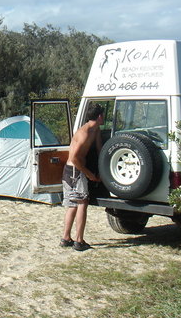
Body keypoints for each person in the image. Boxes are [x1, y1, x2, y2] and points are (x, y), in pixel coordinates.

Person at [60, 104, 104, 251]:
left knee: (73, 204)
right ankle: (79, 241)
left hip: (73, 171)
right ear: (99, 117)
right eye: (102, 115)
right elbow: (74, 158)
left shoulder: (95, 130)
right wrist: (90, 174)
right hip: (74, 171)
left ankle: (66, 238)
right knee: (81, 203)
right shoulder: (84, 132)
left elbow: (99, 150)